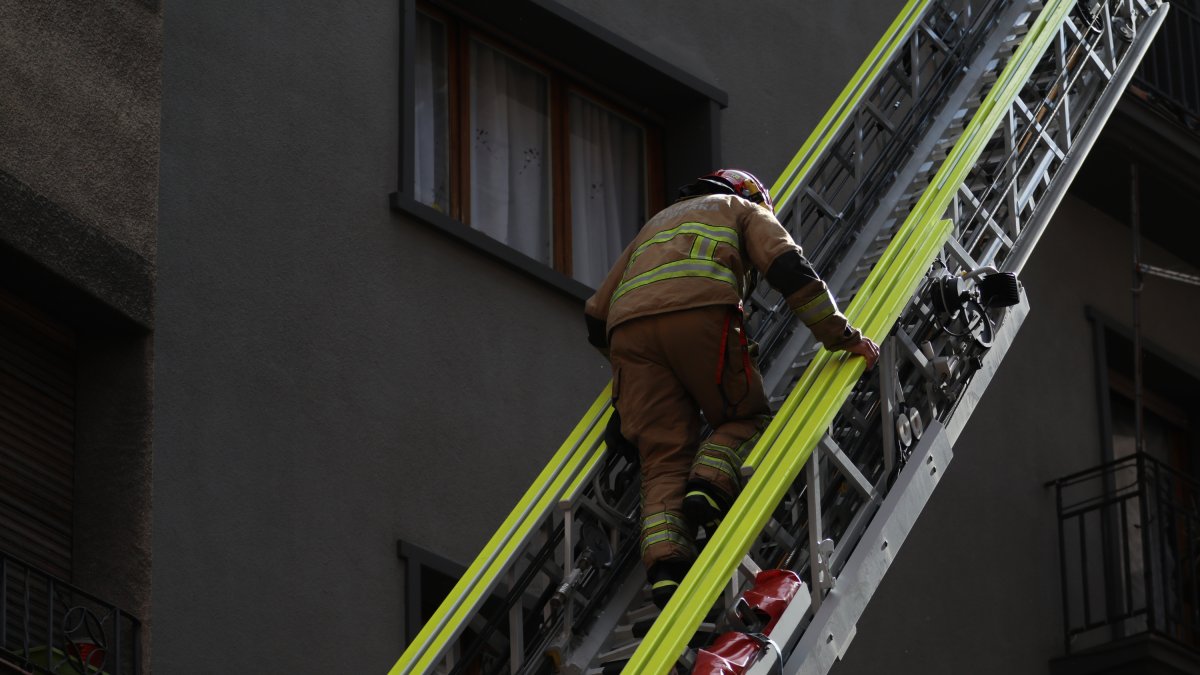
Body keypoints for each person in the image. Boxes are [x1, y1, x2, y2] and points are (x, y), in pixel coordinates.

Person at [583, 169, 879, 607]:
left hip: (628, 338)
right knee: (747, 418)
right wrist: (842, 336)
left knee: (662, 459)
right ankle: (709, 484)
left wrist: (630, 382)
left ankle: (666, 569)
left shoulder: (653, 227)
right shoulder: (743, 209)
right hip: (704, 312)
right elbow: (788, 268)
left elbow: (595, 315)